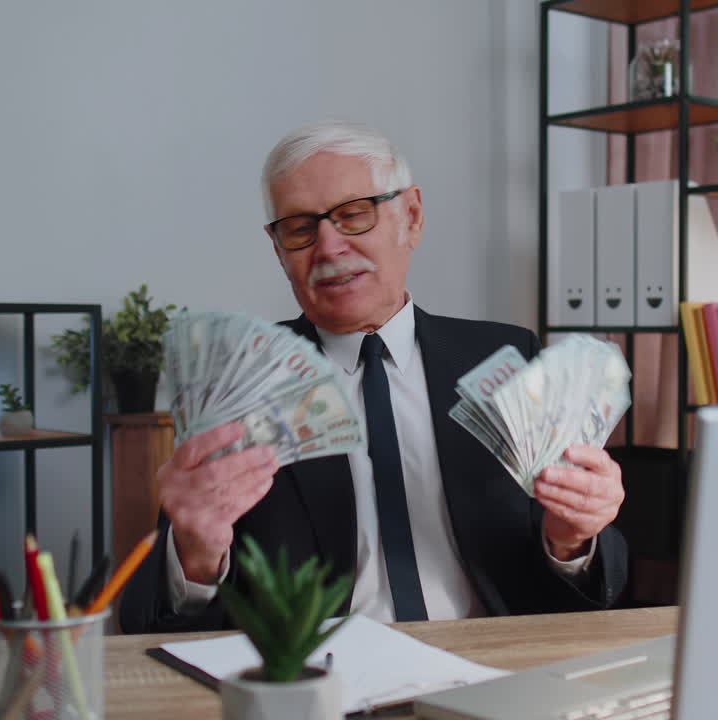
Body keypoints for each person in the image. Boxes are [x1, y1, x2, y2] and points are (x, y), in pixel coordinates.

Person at [119, 120, 628, 633]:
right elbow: (152, 620)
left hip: (485, 668)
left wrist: (573, 540)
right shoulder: (238, 384)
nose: (329, 246)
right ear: (279, 251)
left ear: (411, 216)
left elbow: (584, 584)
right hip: (319, 683)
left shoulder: (507, 356)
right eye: (299, 228)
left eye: (354, 215)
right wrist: (197, 555)